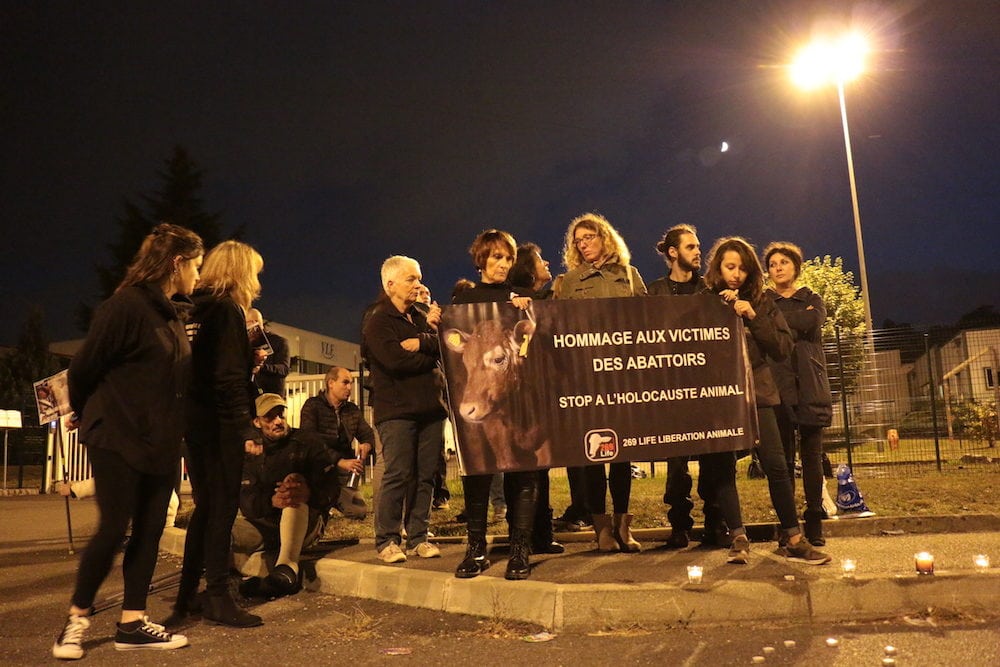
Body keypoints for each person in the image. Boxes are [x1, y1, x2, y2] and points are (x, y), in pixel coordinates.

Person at [53, 223, 202, 659]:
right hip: (117, 435)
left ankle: (132, 623)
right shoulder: (125, 306)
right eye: (196, 265)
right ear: (177, 263)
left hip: (160, 439)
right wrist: (84, 413)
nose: (198, 275)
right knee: (115, 526)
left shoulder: (171, 315)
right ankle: (75, 621)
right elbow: (83, 370)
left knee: (152, 528)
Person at [702, 236, 831, 565]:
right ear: (718, 267)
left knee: (776, 465)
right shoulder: (704, 301)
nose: (736, 275)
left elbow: (782, 347)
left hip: (761, 391)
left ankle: (793, 536)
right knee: (724, 467)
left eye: (743, 269)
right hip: (722, 397)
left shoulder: (762, 301)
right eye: (730, 267)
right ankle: (738, 537)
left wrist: (752, 315)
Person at [171, 240, 265, 628]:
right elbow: (226, 379)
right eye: (255, 272)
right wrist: (245, 425)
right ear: (241, 272)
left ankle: (186, 595)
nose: (257, 281)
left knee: (205, 508)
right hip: (219, 424)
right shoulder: (227, 310)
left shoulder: (194, 309)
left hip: (192, 422)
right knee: (222, 509)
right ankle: (218, 598)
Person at [450, 230, 541, 580]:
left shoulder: (522, 297)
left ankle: (520, 549)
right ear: (481, 261)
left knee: (524, 476)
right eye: (496, 258)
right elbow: (451, 340)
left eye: (507, 258)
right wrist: (436, 322)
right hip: (479, 407)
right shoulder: (463, 300)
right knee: (477, 475)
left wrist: (528, 312)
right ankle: (476, 548)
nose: (503, 265)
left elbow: (537, 342)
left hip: (519, 407)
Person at [554, 213, 646, 553]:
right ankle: (600, 528)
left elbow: (648, 320)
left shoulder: (630, 276)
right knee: (594, 451)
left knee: (624, 452)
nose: (583, 244)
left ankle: (623, 525)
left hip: (623, 374)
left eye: (588, 237)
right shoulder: (569, 281)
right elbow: (559, 327)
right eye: (578, 241)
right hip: (587, 378)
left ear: (604, 237)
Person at [647, 224, 727, 549]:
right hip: (670, 391)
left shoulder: (709, 292)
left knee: (712, 461)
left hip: (705, 390)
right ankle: (679, 526)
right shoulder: (653, 294)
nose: (698, 252)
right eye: (691, 247)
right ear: (672, 252)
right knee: (675, 465)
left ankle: (715, 525)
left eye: (698, 246)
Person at [363, 255, 447, 564]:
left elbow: (447, 345)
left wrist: (422, 343)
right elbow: (396, 362)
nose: (418, 284)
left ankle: (418, 538)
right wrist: (431, 349)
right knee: (398, 473)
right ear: (390, 284)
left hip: (431, 408)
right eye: (411, 279)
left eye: (419, 277)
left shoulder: (422, 315)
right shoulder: (377, 320)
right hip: (396, 409)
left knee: (426, 476)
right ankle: (387, 539)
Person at [233, 393, 339, 599]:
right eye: (269, 417)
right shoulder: (251, 451)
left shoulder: (308, 442)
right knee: (219, 527)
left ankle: (287, 569)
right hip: (264, 522)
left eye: (280, 414)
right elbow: (245, 499)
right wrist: (271, 501)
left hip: (305, 520)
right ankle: (214, 582)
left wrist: (308, 492)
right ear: (257, 422)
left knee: (293, 487)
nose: (278, 421)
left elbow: (332, 487)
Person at [764, 242, 834, 547]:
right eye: (773, 264)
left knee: (812, 457)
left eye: (784, 262)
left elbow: (812, 321)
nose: (778, 268)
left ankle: (815, 519)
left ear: (796, 266)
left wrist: (778, 323)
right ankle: (788, 524)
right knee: (782, 461)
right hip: (778, 387)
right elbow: (764, 327)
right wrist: (786, 322)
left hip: (810, 386)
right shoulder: (764, 300)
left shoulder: (811, 298)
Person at [508, 242, 564, 555]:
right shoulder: (516, 299)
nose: (548, 263)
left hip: (541, 393)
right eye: (541, 260)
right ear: (529, 270)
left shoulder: (543, 296)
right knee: (524, 471)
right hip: (521, 397)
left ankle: (541, 533)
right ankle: (526, 535)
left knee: (539, 468)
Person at [299, 366, 375, 520]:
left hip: (342, 477)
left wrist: (367, 444)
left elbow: (367, 433)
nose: (350, 388)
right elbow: (310, 441)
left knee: (358, 512)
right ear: (331, 383)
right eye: (345, 382)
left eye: (351, 383)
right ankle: (324, 503)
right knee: (315, 510)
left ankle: (333, 501)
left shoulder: (351, 410)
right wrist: (339, 461)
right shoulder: (312, 406)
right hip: (319, 472)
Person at [247, 309, 290, 397]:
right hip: (250, 394)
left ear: (254, 322)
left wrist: (262, 367)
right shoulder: (246, 343)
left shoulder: (279, 342)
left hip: (272, 396)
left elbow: (284, 369)